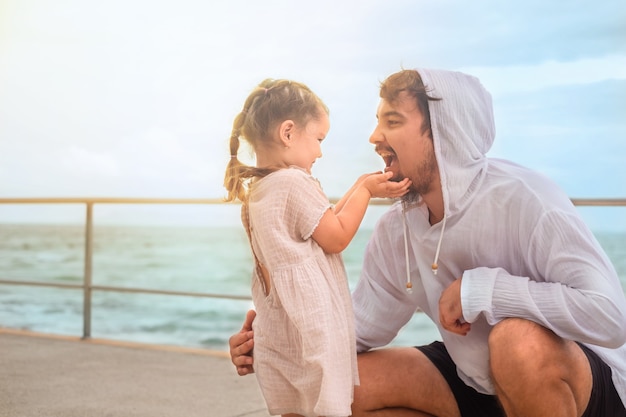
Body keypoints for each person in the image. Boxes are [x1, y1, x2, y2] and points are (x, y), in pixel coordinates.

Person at [229, 69, 626, 416]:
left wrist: (484, 290)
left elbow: (609, 316)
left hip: (587, 389)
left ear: (443, 132)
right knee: (338, 389)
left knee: (516, 342)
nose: (374, 136)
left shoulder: (527, 199)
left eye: (393, 121)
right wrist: (276, 336)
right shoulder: (395, 230)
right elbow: (356, 330)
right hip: (475, 385)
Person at [223, 78, 411, 417]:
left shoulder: (260, 193)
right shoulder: (295, 182)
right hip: (311, 330)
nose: (320, 152)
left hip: (280, 334)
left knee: (293, 410)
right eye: (319, 139)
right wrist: (367, 192)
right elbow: (335, 237)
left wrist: (358, 184)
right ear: (289, 132)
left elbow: (317, 231)